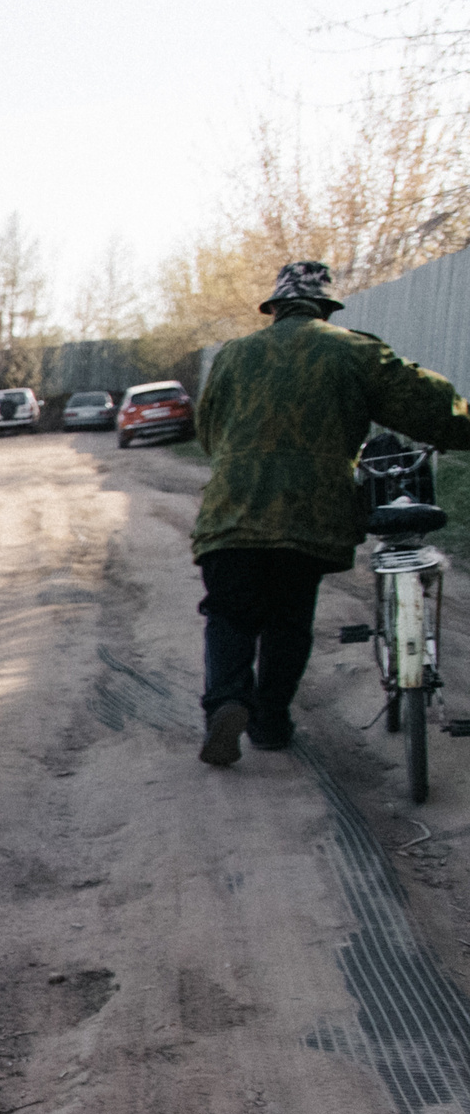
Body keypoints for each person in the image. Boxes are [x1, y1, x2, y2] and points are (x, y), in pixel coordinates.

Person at [191, 259, 470, 765]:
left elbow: (209, 431)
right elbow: (423, 403)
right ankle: (270, 723)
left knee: (230, 614)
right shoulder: (352, 351)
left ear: (275, 307)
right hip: (308, 515)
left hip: (232, 509)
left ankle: (227, 702)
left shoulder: (232, 355)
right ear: (326, 306)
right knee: (288, 619)